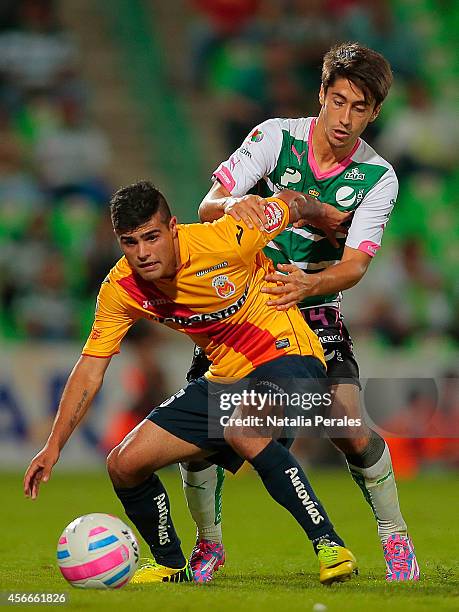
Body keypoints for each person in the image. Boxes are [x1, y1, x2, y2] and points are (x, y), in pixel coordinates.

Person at [24, 180, 358, 586]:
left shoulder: (227, 238)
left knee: (243, 428)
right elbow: (90, 367)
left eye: (152, 237)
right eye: (130, 242)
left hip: (291, 357)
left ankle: (330, 544)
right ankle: (169, 563)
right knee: (124, 464)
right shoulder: (121, 288)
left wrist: (321, 213)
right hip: (226, 378)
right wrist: (54, 445)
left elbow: (292, 201)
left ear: (173, 227)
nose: (143, 253)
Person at [181, 42, 419, 582]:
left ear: (375, 113)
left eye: (360, 108)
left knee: (350, 428)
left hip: (314, 308)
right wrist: (237, 206)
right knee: (202, 437)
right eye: (338, 101)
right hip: (246, 308)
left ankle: (395, 538)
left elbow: (356, 264)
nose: (345, 118)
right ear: (322, 95)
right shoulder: (274, 137)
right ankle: (208, 546)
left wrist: (308, 283)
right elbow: (207, 207)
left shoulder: (378, 178)